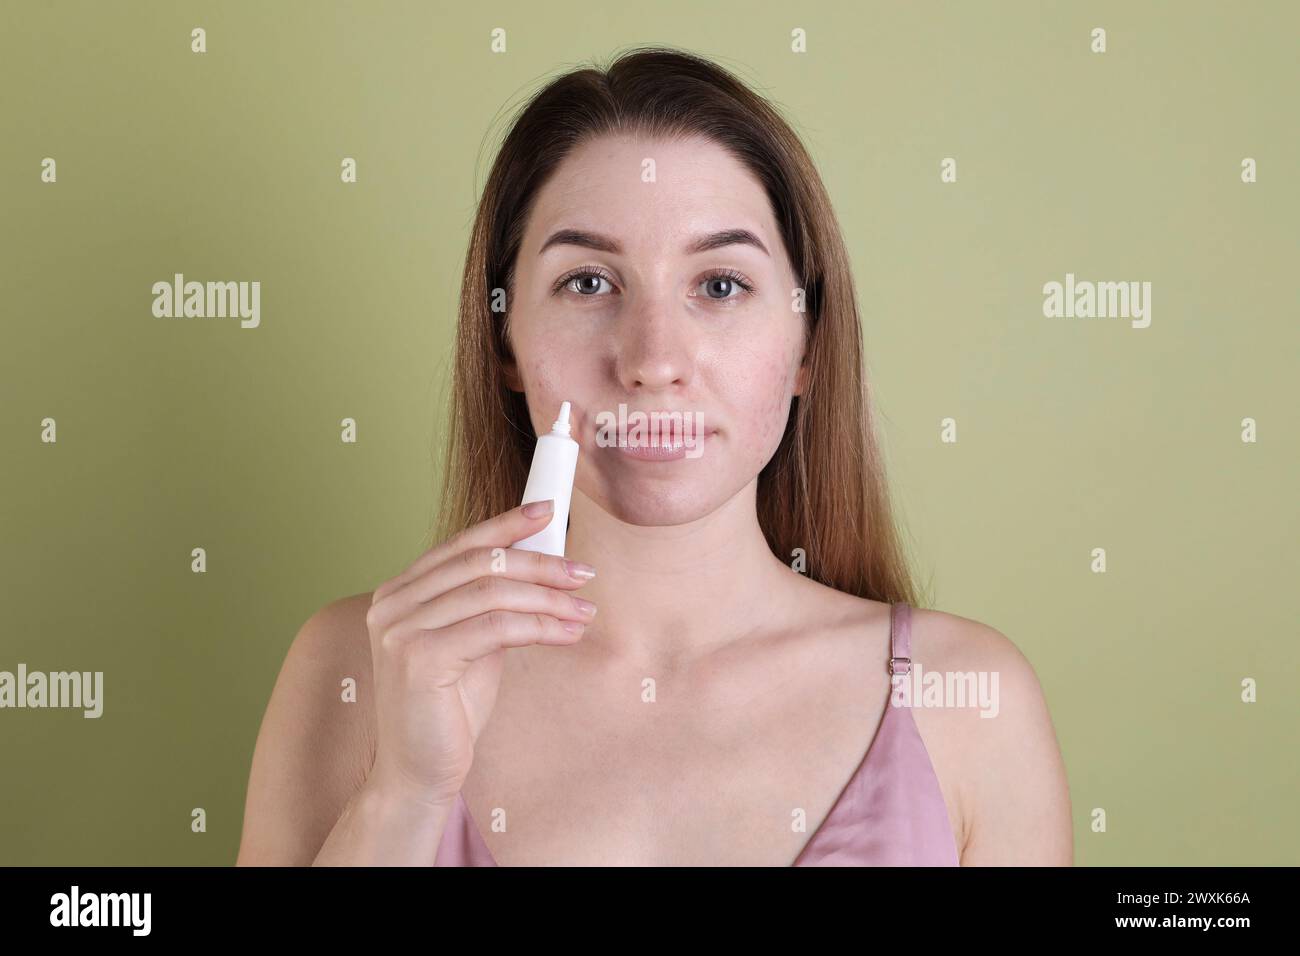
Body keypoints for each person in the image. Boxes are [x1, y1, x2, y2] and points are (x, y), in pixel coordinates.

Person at [236, 46, 1071, 866]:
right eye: (589, 283)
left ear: (807, 343)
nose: (652, 358)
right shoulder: (356, 670)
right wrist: (405, 795)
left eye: (719, 285)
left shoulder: (968, 701)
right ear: (505, 340)